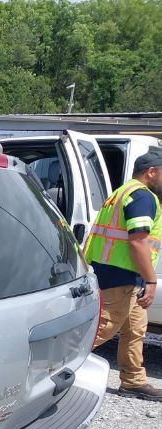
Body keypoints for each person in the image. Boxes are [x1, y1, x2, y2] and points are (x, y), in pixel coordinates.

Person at [84, 152, 162, 401]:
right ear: (151, 172)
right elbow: (138, 241)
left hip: (122, 273)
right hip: (120, 275)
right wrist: (151, 280)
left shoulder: (122, 192)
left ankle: (133, 381)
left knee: (135, 329)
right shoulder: (141, 195)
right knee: (100, 330)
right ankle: (47, 370)